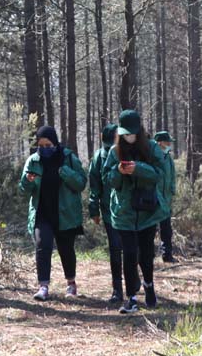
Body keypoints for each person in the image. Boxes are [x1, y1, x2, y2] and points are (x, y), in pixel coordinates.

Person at [103, 109, 170, 314]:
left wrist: (138, 168)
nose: (128, 137)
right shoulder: (114, 151)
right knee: (129, 255)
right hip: (123, 212)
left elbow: (160, 174)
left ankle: (149, 286)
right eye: (125, 133)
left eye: (131, 133)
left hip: (147, 211)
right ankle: (131, 297)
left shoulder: (151, 148)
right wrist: (119, 171)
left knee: (146, 255)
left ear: (139, 131)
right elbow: (108, 179)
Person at [18, 125, 87, 301]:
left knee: (66, 249)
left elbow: (81, 183)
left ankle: (71, 283)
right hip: (42, 213)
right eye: (41, 145)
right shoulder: (33, 160)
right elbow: (23, 189)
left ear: (55, 143)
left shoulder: (68, 158)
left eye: (48, 144)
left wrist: (65, 172)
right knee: (42, 246)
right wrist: (27, 181)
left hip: (65, 213)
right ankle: (43, 286)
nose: (44, 148)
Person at [88, 122, 123, 304]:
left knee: (132, 249)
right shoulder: (99, 158)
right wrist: (94, 209)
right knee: (115, 249)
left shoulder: (126, 152)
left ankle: (133, 282)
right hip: (110, 211)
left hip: (129, 211)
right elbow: (94, 187)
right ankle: (117, 289)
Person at [153, 131, 177, 263]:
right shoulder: (152, 156)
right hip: (154, 199)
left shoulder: (168, 157)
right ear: (160, 143)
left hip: (166, 200)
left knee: (166, 229)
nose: (169, 144)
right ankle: (147, 256)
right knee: (150, 230)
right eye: (167, 142)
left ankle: (167, 256)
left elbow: (172, 175)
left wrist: (172, 191)